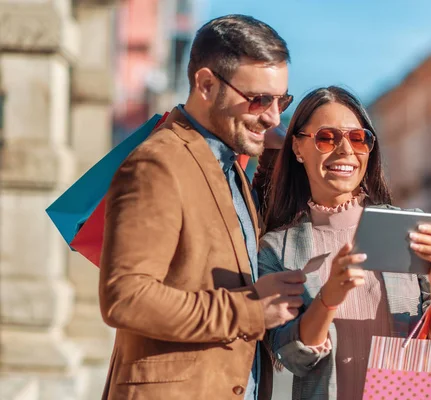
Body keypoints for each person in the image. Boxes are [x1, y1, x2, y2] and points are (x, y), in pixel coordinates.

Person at [98, 15, 306, 400]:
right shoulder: (158, 163)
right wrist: (253, 311)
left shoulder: (229, 166)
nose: (274, 116)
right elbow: (126, 298)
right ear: (206, 84)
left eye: (282, 100)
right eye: (259, 99)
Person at [258, 86, 431, 400]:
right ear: (297, 147)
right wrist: (328, 299)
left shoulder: (409, 228)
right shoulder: (277, 249)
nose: (346, 150)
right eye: (327, 137)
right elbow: (292, 357)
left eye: (358, 138)